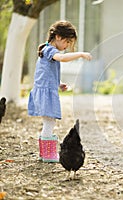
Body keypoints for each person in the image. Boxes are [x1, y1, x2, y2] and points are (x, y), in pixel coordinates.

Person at [28, 20, 92, 162]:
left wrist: (58, 83)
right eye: (67, 42)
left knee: (49, 122)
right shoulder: (50, 50)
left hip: (46, 90)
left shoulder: (46, 50)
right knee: (49, 123)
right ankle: (47, 155)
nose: (67, 46)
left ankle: (45, 153)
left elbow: (45, 74)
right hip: (45, 93)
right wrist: (80, 54)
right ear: (58, 37)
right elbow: (62, 58)